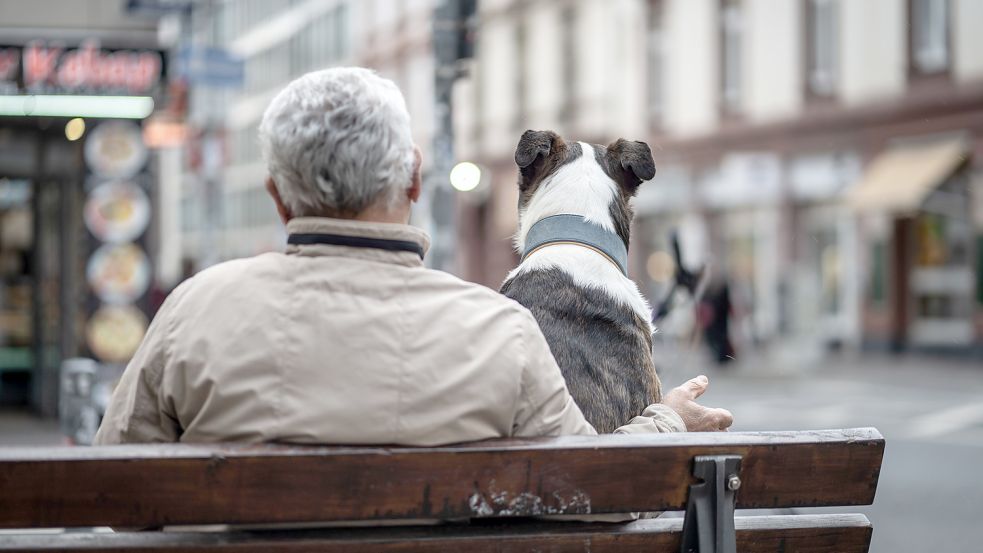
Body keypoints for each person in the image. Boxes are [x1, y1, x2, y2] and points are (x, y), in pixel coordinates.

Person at [94, 67, 732, 448]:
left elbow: (115, 489)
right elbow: (591, 490)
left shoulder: (193, 313)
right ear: (413, 182)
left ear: (277, 198)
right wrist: (664, 422)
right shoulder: (498, 331)